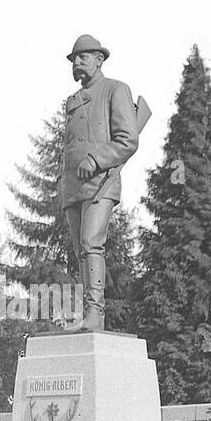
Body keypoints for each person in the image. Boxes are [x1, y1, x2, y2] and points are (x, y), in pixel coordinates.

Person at [57, 34, 141, 332]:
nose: (76, 63)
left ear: (99, 59)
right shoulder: (73, 100)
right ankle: (88, 313)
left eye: (82, 57)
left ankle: (96, 312)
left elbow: (128, 140)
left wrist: (96, 160)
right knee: (82, 249)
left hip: (100, 182)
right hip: (73, 187)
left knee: (92, 243)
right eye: (73, 60)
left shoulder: (115, 90)